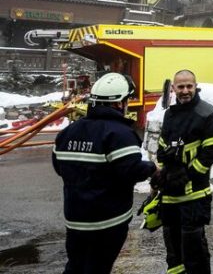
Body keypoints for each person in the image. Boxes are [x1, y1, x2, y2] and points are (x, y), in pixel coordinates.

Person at [52, 73, 159, 274]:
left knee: (76, 266)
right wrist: (152, 168)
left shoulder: (69, 132)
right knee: (98, 268)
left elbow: (59, 167)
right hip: (108, 221)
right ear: (120, 103)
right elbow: (131, 170)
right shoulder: (120, 134)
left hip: (75, 219)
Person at [157, 69, 213, 274]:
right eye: (181, 87)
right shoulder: (170, 114)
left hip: (194, 196)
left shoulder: (208, 114)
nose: (185, 91)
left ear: (196, 86)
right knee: (173, 255)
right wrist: (161, 175)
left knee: (194, 252)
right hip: (169, 198)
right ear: (174, 89)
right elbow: (162, 148)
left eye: (189, 86)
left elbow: (212, 152)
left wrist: (186, 175)